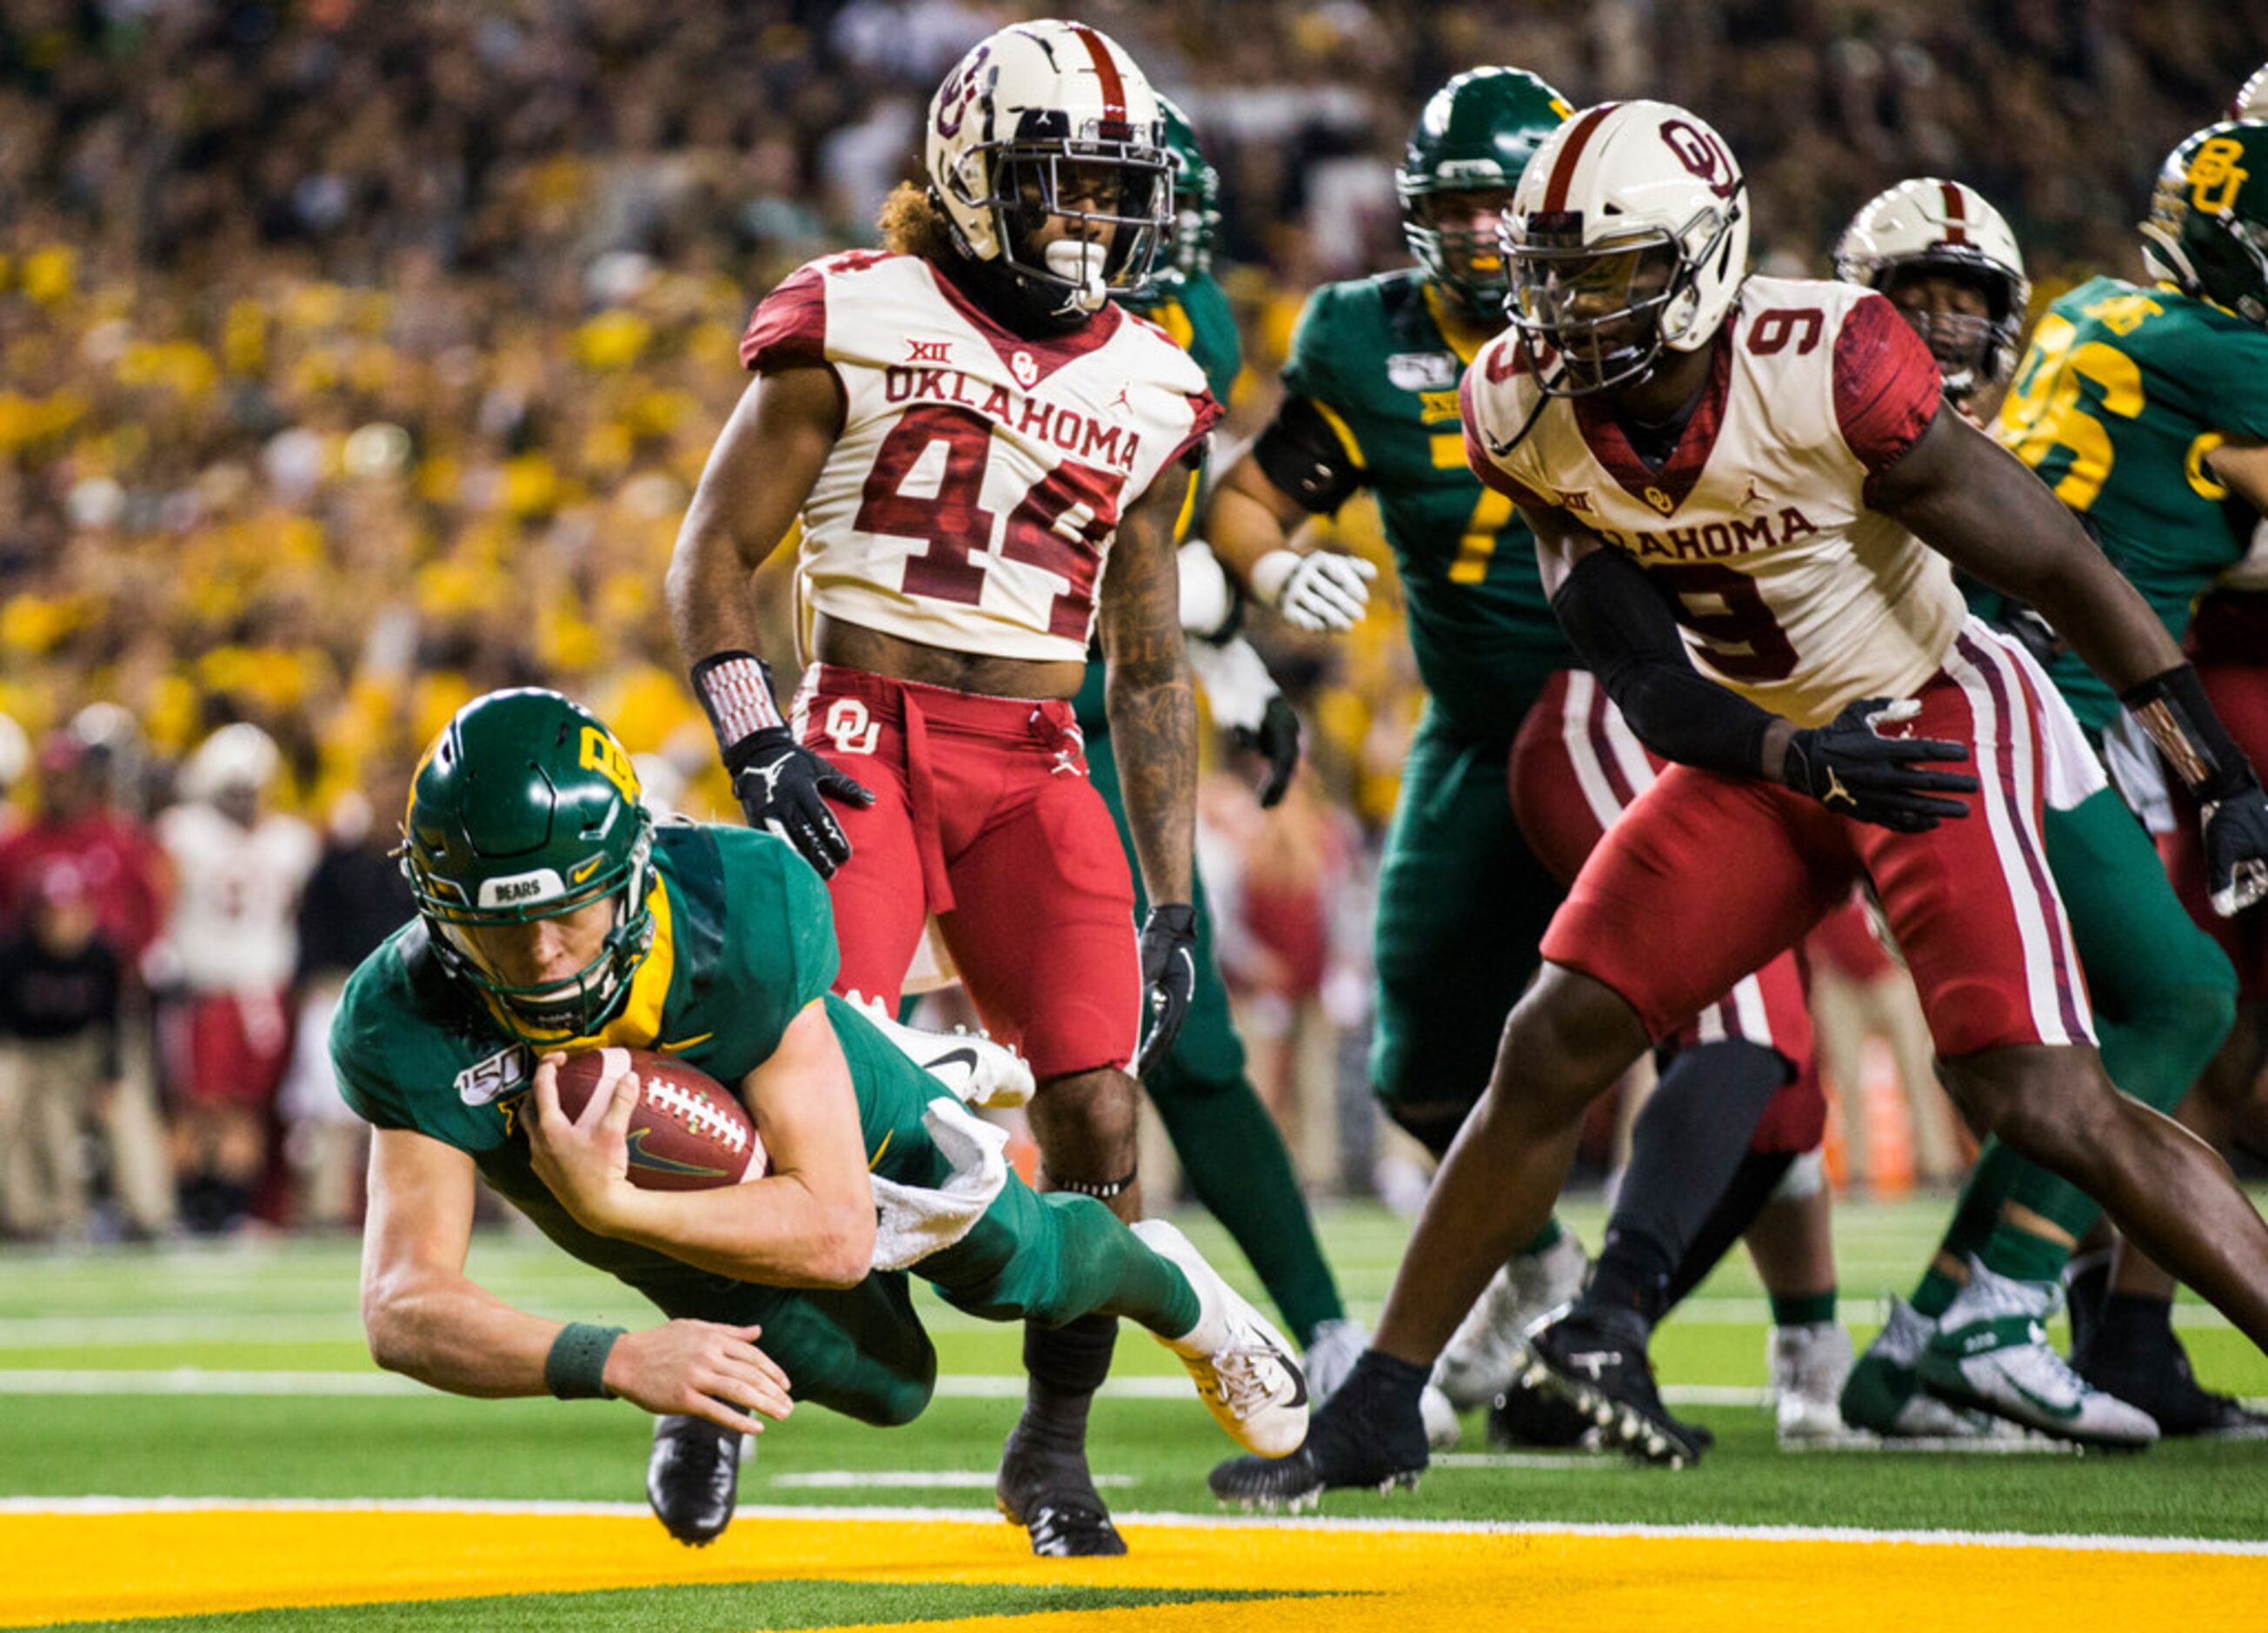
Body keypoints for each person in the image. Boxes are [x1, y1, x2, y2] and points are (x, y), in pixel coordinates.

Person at [1213, 99, 2268, 1509]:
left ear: (1703, 262)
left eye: (1607, 275)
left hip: (1922, 711)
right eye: (1550, 274)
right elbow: (1639, 676)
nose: (1565, 314)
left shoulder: (1826, 363)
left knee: (2041, 1092)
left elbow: (2064, 561)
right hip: (1758, 747)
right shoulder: (1522, 405)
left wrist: (2212, 771)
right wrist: (1785, 759)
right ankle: (1378, 1406)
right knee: (1551, 1038)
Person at [1205, 66, 1830, 1454]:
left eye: (1513, 208)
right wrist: (1277, 562)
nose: (1491, 239)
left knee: (1732, 1031)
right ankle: (1545, 1273)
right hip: (1475, 725)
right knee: (1419, 1057)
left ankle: (1705, 1328)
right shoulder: (1365, 338)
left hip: (1630, 696)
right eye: (1466, 209)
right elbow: (1247, 496)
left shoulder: (1653, 319)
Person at [667, 20, 1220, 1557]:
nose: (1089, 220)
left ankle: (1052, 1440)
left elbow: (1152, 661)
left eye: (1114, 190)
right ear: (974, 174)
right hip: (857, 728)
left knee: (1102, 1104)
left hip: (1034, 760)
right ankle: (714, 1377)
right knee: (813, 1081)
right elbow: (712, 552)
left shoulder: (1153, 384)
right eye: (1060, 182)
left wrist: (1174, 886)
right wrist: (753, 733)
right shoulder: (857, 311)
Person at [336, 690, 1305, 1550]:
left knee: (1016, 1266)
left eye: (570, 914)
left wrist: (619, 1212)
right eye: (498, 928)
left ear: (631, 869)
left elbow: (838, 1234)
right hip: (667, 1201)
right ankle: (705, 1366)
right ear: (435, 912)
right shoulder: (404, 1018)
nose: (544, 956)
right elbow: (401, 1306)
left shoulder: (734, 904)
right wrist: (621, 1359)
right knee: (891, 1387)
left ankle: (1180, 1294)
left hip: (796, 1109)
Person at [1828, 175, 2247, 1443]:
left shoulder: (2095, 332)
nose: (1948, 327)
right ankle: (1993, 1306)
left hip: (2010, 708)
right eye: (1921, 298)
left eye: (1969, 301)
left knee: (2090, 1040)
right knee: (2173, 1000)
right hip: (1969, 717)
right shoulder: (2190, 351)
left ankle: (1926, 1338)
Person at [1094, 96, 1362, 1395]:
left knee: (1179, 1035)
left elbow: (1149, 569)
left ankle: (1319, 1316)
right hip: (930, 698)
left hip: (1092, 709)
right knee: (836, 1012)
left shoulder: (1187, 313)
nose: (1114, 234)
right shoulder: (957, 313)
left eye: (1138, 207)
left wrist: (1232, 665)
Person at [155, 723, 319, 1234]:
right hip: (224, 991)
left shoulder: (187, 833)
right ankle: (204, 1212)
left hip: (240, 991)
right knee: (208, 1110)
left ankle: (217, 1213)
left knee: (230, 1111)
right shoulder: (288, 840)